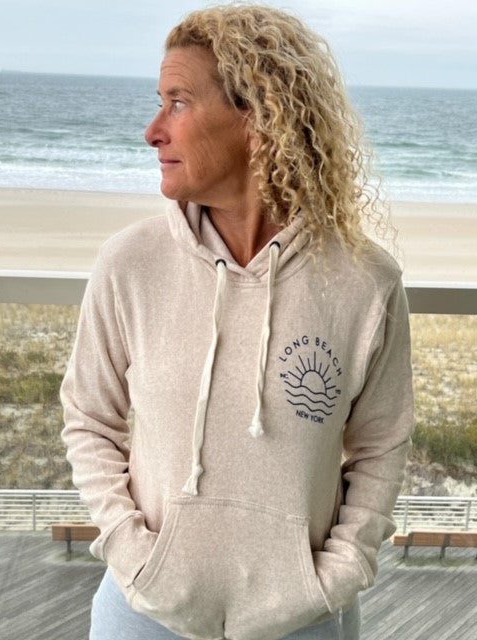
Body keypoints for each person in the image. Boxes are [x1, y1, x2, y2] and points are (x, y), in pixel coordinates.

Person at [60, 4, 415, 640]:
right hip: (142, 614)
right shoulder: (130, 263)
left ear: (258, 117)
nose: (152, 131)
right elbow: (89, 419)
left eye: (177, 103)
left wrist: (334, 576)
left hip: (305, 620)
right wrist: (135, 557)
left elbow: (382, 446)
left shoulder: (364, 281)